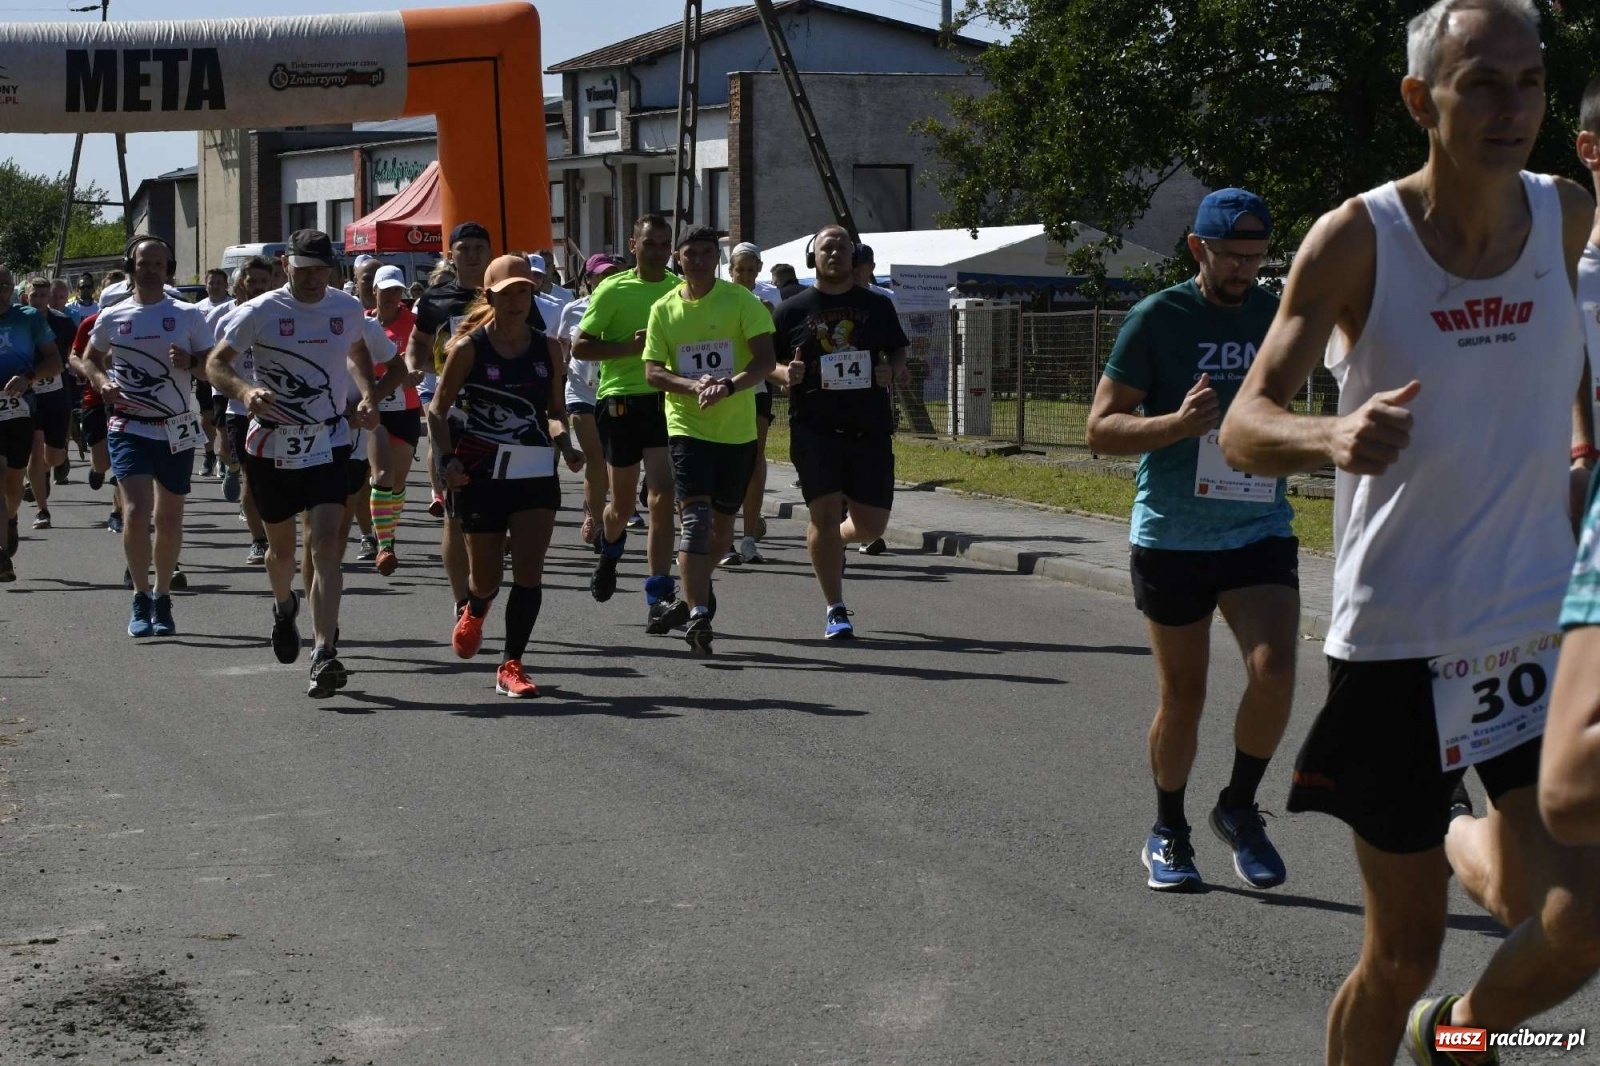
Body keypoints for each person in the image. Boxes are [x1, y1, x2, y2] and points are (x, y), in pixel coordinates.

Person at [1218, 2, 1600, 1061]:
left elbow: (1566, 348)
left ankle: (1457, 1042)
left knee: (1580, 920)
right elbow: (1247, 425)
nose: (1509, 106)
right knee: (1400, 956)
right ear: (1418, 97)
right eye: (1480, 82)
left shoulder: (1563, 212)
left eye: (1527, 82)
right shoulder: (1357, 238)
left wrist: (1578, 448)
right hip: (1400, 638)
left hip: (1535, 624)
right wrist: (1330, 432)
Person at [1084, 189, 1296, 893]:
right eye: (1232, 256)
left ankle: (1237, 807)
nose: (1245, 269)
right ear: (1196, 249)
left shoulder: (1275, 316)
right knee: (1186, 695)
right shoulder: (1158, 318)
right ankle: (1167, 828)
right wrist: (1174, 426)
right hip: (1173, 533)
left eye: (1257, 256)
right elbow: (1099, 430)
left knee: (1276, 673)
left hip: (1256, 525)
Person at [208, 230, 390, 697]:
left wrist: (368, 396)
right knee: (283, 554)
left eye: (321, 270)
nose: (312, 279)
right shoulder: (261, 310)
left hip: (328, 440)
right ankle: (284, 604)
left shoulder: (345, 308)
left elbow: (355, 353)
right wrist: (246, 391)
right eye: (303, 269)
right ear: (286, 265)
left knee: (326, 544)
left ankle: (324, 650)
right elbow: (216, 364)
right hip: (271, 445)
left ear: (333, 269)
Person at [430, 255, 581, 696]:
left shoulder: (548, 347)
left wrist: (566, 444)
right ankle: (475, 608)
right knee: (487, 577)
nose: (517, 300)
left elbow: (554, 413)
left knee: (530, 572)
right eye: (508, 292)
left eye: (524, 291)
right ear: (490, 295)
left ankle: (511, 664)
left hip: (535, 470)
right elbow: (438, 411)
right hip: (482, 470)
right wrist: (445, 461)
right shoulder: (469, 348)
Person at [642, 226, 777, 653]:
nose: (697, 260)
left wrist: (728, 386)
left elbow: (765, 360)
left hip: (736, 432)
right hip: (688, 427)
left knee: (721, 532)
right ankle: (700, 615)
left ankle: (690, 596)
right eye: (690, 254)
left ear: (715, 260)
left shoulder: (742, 301)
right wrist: (693, 385)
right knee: (696, 523)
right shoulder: (663, 309)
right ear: (677, 259)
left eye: (705, 254)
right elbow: (653, 372)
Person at [771, 225, 909, 639]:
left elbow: (899, 350)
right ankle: (836, 608)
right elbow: (764, 363)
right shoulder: (792, 310)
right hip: (814, 426)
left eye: (843, 248)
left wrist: (892, 369)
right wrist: (785, 374)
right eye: (827, 248)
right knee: (824, 514)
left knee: (872, 526)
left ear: (854, 256)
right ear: (813, 257)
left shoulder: (877, 306)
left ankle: (837, 543)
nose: (835, 254)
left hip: (869, 425)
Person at [83, 236, 213, 637]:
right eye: (145, 262)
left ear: (168, 268)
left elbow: (212, 369)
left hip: (175, 427)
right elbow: (89, 358)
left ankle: (162, 594)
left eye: (160, 263)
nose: (152, 268)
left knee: (169, 517)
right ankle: (139, 595)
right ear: (132, 266)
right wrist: (102, 381)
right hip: (129, 426)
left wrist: (191, 362)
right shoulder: (113, 315)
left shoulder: (188, 314)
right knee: (138, 512)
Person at [574, 214, 685, 631]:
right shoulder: (613, 288)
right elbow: (581, 346)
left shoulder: (679, 290)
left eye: (664, 244)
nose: (657, 251)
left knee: (661, 495)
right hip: (620, 402)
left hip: (663, 400)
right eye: (650, 243)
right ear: (633, 244)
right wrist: (628, 347)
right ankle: (610, 553)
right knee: (620, 507)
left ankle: (659, 593)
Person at [407, 221, 495, 618]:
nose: (473, 254)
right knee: (455, 515)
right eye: (465, 247)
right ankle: (463, 601)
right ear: (452, 253)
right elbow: (419, 344)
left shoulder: (507, 293)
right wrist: (427, 369)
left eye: (480, 247)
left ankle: (482, 583)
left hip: (503, 416)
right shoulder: (436, 299)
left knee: (497, 518)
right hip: (456, 416)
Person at [0, 265, 63, 582]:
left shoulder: (28, 318)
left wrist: (29, 378)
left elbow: (55, 361)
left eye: (4, 286)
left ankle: (10, 517)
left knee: (13, 483)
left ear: (12, 288)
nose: (0, 292)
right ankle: (1, 557)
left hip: (20, 410)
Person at [212, 257, 276, 564]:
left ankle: (280, 534)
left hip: (281, 413)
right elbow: (217, 366)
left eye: (265, 281)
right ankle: (258, 540)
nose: (259, 287)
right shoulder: (229, 319)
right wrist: (242, 394)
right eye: (253, 282)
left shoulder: (281, 315)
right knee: (251, 479)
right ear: (241, 284)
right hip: (240, 411)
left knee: (279, 480)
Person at [559, 254, 625, 549]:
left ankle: (594, 505)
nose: (607, 278)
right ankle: (597, 522)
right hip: (580, 393)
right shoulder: (573, 310)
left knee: (614, 459)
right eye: (601, 274)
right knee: (596, 458)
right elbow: (563, 350)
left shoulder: (627, 308)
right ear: (589, 279)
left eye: (613, 273)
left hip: (614, 390)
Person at [722, 242, 779, 566]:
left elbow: (772, 350)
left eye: (749, 270)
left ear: (758, 271)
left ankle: (748, 538)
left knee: (755, 457)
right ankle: (724, 537)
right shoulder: (717, 301)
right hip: (724, 387)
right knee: (728, 458)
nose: (744, 275)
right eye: (738, 270)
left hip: (755, 387)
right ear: (730, 272)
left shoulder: (765, 304)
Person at [367, 264, 424, 576]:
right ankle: (384, 544)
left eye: (396, 291)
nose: (391, 297)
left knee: (398, 481)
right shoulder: (361, 323)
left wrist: (417, 370)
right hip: (374, 410)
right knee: (382, 474)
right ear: (373, 290)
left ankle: (387, 532)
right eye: (385, 290)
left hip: (405, 408)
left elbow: (429, 358)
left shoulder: (414, 323)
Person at [23, 278, 78, 529]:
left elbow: (74, 354)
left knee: (53, 457)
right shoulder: (18, 322)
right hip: (28, 395)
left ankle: (50, 465)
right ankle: (42, 510)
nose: (39, 300)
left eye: (43, 296)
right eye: (35, 296)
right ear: (26, 296)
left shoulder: (63, 323)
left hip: (57, 395)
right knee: (35, 448)